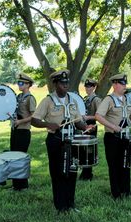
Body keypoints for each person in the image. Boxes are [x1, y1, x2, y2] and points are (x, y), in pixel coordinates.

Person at [31, 69, 93, 213]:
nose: (65, 85)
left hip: (72, 140)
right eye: (62, 83)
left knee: (72, 172)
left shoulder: (72, 100)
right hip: (55, 140)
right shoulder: (48, 100)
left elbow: (77, 121)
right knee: (58, 173)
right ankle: (60, 206)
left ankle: (70, 204)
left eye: (67, 83)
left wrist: (85, 127)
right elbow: (34, 120)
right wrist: (48, 124)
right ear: (55, 84)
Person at [95, 73, 131, 200]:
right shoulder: (108, 100)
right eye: (122, 84)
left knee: (126, 164)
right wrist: (113, 126)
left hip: (125, 137)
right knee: (114, 166)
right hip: (112, 137)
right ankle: (116, 193)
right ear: (115, 85)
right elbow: (98, 116)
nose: (125, 86)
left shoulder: (127, 99)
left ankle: (126, 191)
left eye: (125, 83)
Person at [10, 73, 36, 190]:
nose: (19, 85)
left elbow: (34, 116)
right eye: (18, 83)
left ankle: (23, 185)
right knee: (13, 157)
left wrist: (20, 122)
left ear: (28, 85)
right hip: (15, 130)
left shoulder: (30, 98)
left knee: (21, 158)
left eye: (21, 83)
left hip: (24, 131)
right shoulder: (18, 97)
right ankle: (16, 184)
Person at [79, 78, 102, 180]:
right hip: (84, 126)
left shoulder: (96, 99)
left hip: (91, 126)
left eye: (90, 86)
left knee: (89, 151)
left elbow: (100, 115)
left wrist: (88, 117)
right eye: (86, 86)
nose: (87, 88)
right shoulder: (85, 98)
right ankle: (84, 172)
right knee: (83, 150)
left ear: (94, 87)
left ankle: (88, 174)